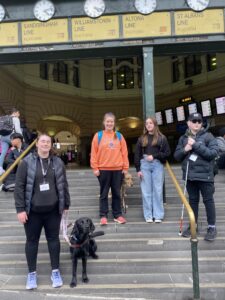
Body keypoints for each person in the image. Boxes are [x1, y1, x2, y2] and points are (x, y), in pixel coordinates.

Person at [14, 133, 70, 289]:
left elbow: (63, 184)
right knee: (32, 242)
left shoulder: (58, 162)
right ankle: (31, 274)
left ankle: (55, 271)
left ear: (51, 145)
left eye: (48, 142)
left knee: (54, 241)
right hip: (32, 212)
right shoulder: (26, 163)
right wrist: (20, 209)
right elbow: (19, 188)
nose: (45, 144)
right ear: (37, 144)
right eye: (43, 141)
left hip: (53, 211)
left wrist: (66, 204)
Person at [174, 113, 219, 241]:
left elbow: (213, 153)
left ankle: (211, 227)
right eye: (194, 121)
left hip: (205, 176)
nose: (197, 123)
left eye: (199, 121)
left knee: (208, 201)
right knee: (193, 201)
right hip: (190, 176)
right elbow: (177, 156)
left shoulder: (208, 136)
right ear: (188, 123)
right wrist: (186, 149)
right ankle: (193, 226)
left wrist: (196, 145)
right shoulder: (183, 138)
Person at [90, 112, 129, 225]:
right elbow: (93, 153)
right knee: (104, 193)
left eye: (111, 121)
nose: (109, 123)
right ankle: (103, 215)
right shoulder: (98, 136)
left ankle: (117, 215)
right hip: (103, 170)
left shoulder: (119, 136)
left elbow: (124, 153)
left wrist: (125, 167)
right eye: (107, 121)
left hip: (118, 169)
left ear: (114, 123)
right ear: (104, 122)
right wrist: (95, 168)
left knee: (116, 193)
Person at [134, 117, 171, 223]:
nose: (149, 125)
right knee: (146, 192)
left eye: (151, 123)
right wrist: (138, 169)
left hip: (157, 165)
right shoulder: (141, 138)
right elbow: (137, 154)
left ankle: (158, 215)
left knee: (158, 190)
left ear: (155, 124)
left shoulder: (162, 138)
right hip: (144, 165)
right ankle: (148, 216)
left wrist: (154, 156)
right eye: (147, 123)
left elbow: (167, 153)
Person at [0, 107, 22, 175]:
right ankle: (20, 167)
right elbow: (18, 129)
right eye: (18, 113)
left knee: (3, 153)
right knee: (18, 150)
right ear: (15, 112)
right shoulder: (15, 118)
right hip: (11, 137)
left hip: (3, 137)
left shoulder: (3, 118)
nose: (19, 114)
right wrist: (21, 138)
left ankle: (0, 168)